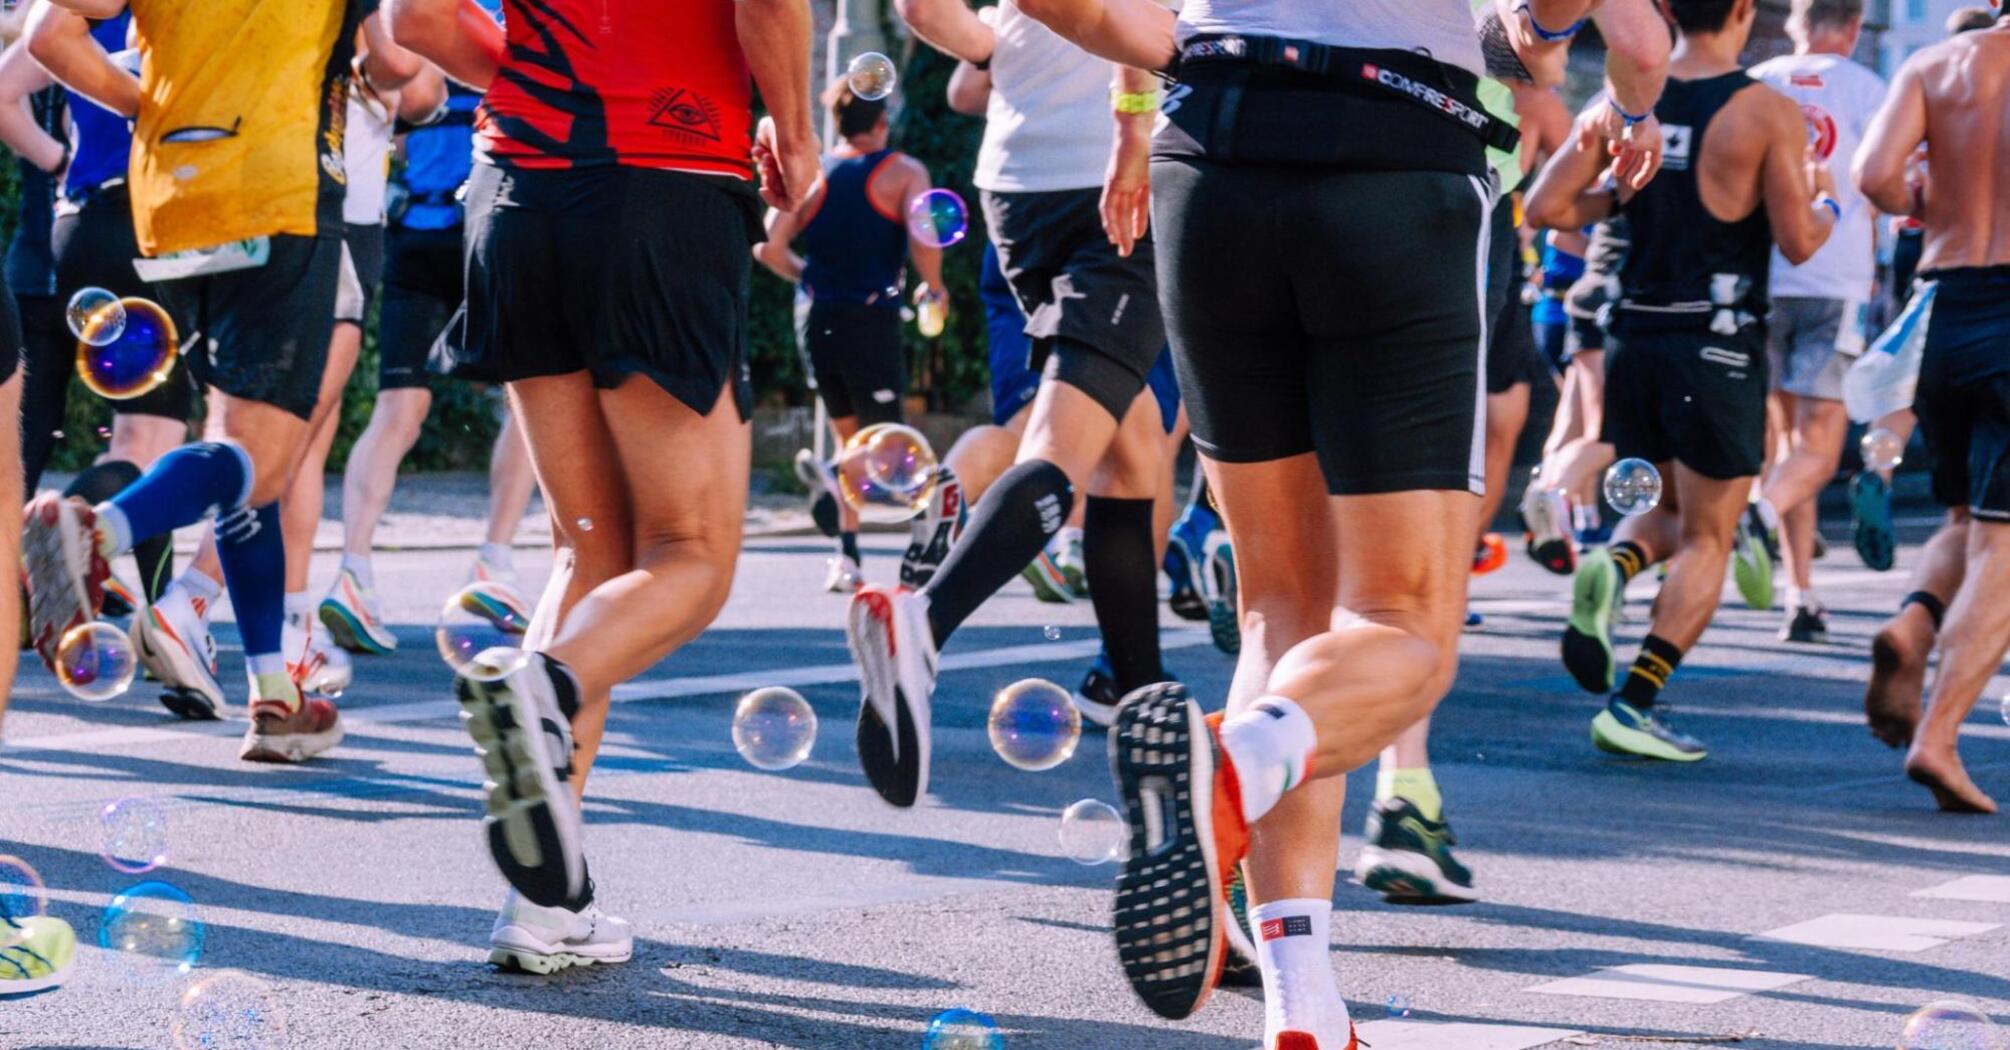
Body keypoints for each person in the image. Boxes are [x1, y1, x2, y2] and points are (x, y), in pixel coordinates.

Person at [1015, 0, 1663, 1042]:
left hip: (1208, 153)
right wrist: (1626, 108)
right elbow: (1619, 35)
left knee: (1282, 612)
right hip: (1394, 158)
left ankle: (1303, 1009)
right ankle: (1219, 772)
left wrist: (1168, 63)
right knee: (1403, 630)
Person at [387, 0, 819, 971]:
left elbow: (414, 21)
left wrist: (538, 87)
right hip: (665, 175)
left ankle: (543, 904)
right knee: (692, 558)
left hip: (512, 193)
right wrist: (795, 131)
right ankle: (541, 686)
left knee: (590, 549)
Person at [23, 0, 370, 764]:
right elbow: (404, 60)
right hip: (282, 188)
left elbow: (51, 32)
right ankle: (97, 530)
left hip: (174, 193)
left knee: (240, 452)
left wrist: (157, 105)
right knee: (264, 457)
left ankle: (274, 696)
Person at [846, 0, 1183, 781]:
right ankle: (919, 625)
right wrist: (1135, 130)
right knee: (1064, 446)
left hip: (1016, 188)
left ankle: (1140, 701)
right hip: (1116, 176)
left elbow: (926, 13)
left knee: (1129, 450)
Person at [1528, 0, 1839, 764]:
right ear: (1742, 11)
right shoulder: (1766, 110)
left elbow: (1544, 206)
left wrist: (1623, 197)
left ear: (1666, 11)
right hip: (1718, 341)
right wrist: (1827, 200)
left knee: (1666, 512)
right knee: (1710, 533)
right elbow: (1800, 242)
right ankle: (1635, 703)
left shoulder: (1625, 102)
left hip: (1634, 337)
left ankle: (1613, 561)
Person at [324, 0, 535, 656]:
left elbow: (396, 110)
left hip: (416, 231)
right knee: (527, 404)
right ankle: (495, 565)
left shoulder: (415, 12)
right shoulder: (523, 16)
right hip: (494, 226)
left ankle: (352, 572)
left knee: (396, 412)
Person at [1851, 6, 2009, 813]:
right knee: (2007, 546)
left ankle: (1912, 627)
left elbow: (1873, 176)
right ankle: (1939, 736)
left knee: (1965, 514)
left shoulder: (1939, 64)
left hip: (1941, 306)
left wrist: (1923, 190)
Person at [0, 12, 189, 618]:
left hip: (78, 223)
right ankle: (50, 547)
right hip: (149, 227)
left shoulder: (75, 13)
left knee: (145, 439)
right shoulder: (176, 16)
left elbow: (4, 91)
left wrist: (59, 164)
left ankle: (161, 611)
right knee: (150, 440)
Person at [753, 81, 949, 593]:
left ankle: (846, 559)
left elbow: (769, 248)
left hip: (816, 318)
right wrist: (934, 287)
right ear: (881, 121)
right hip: (869, 320)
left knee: (851, 438)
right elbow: (925, 235)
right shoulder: (904, 172)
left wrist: (809, 279)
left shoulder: (814, 177)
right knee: (888, 444)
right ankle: (919, 546)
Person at [1750, 0, 1887, 642]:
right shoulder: (1868, 87)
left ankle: (1800, 596)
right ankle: (1755, 515)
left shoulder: (1762, 80)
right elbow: (1884, 182)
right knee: (1818, 449)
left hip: (1769, 273)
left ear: (1794, 24)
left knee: (1784, 447)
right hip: (1836, 276)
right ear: (1854, 28)